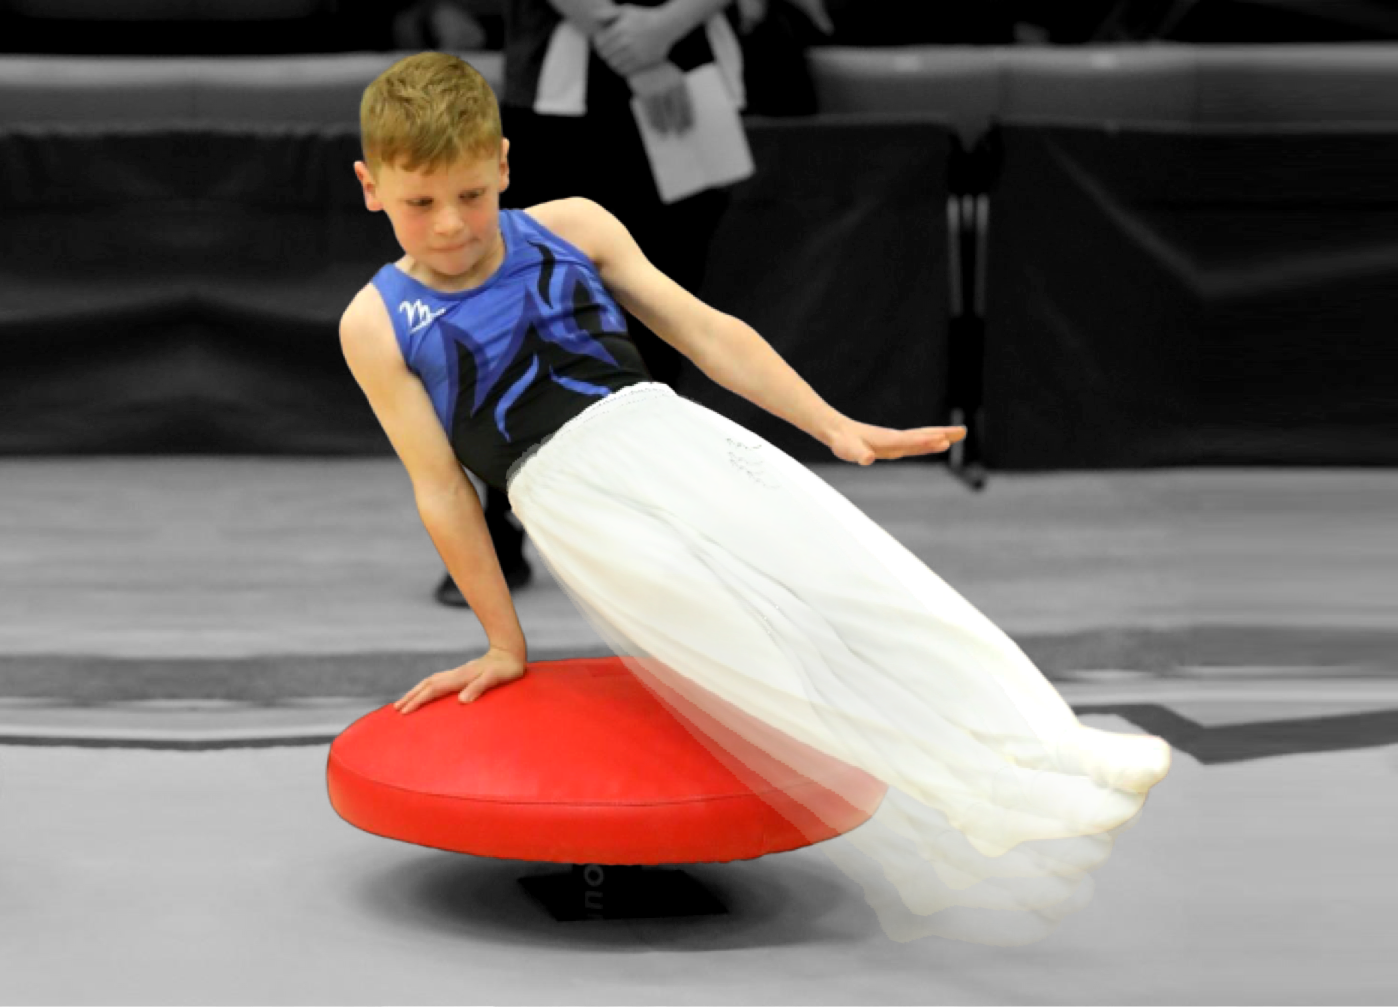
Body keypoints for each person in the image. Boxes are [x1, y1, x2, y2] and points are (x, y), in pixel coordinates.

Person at [345, 52, 1171, 947]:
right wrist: (504, 639)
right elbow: (444, 491)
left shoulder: (575, 224)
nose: (454, 225)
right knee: (758, 643)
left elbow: (706, 333)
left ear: (504, 164)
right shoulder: (377, 322)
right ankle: (969, 806)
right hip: (566, 494)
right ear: (371, 188)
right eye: (421, 203)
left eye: (471, 194)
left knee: (861, 578)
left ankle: (1052, 745)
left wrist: (833, 426)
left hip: (666, 430)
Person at [431, 0, 745, 608]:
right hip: (555, 103)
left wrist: (666, 25)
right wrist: (619, 36)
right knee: (527, 318)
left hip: (691, 85)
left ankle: (648, 533)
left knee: (664, 320)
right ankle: (497, 528)